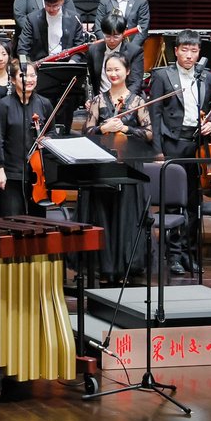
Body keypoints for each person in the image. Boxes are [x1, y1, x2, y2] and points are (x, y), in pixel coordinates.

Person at [148, 30, 211, 275]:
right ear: (175, 51)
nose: (189, 55)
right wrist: (157, 151)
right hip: (172, 144)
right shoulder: (162, 76)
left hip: (197, 145)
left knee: (193, 202)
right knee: (173, 202)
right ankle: (173, 255)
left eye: (194, 51)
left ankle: (190, 254)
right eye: (184, 50)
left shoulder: (205, 77)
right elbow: (154, 115)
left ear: (199, 52)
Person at [83, 53, 153, 284]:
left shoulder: (137, 101)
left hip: (128, 166)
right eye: (109, 70)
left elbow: (149, 134)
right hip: (103, 166)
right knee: (105, 214)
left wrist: (126, 128)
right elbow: (87, 133)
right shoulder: (98, 101)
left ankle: (128, 266)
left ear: (127, 72)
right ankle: (106, 266)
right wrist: (103, 129)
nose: (113, 74)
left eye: (117, 70)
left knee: (127, 215)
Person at [0, 59, 51, 217]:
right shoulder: (3, 105)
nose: (29, 79)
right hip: (11, 172)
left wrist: (48, 140)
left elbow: (52, 132)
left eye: (33, 75)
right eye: (23, 76)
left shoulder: (44, 104)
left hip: (38, 174)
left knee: (38, 223)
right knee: (12, 220)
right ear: (12, 80)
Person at [86, 14, 145, 97]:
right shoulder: (93, 50)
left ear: (124, 33)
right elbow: (90, 81)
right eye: (107, 36)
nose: (112, 40)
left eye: (116, 36)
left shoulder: (135, 51)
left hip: (126, 100)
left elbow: (135, 82)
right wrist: (91, 99)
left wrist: (122, 100)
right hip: (101, 100)